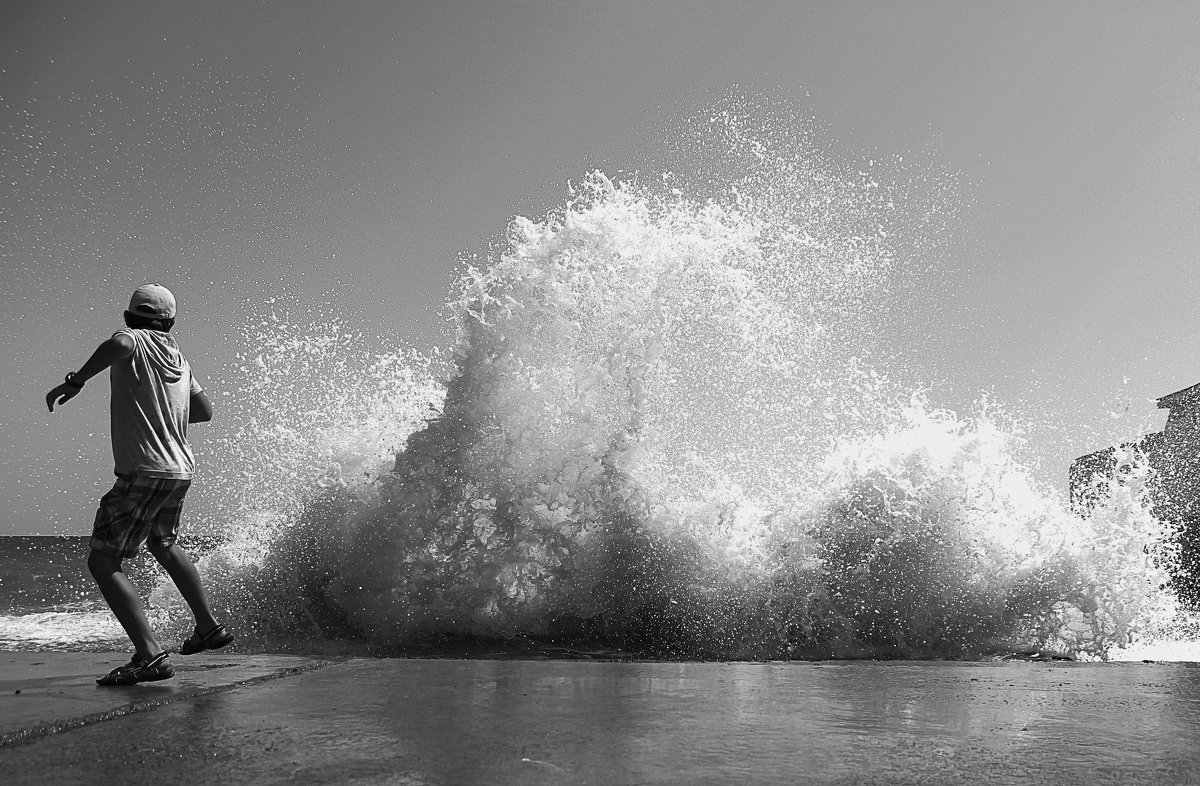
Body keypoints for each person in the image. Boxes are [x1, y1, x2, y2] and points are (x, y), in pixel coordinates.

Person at [45, 284, 234, 686]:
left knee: (103, 560)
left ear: (130, 315)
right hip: (179, 470)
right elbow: (204, 411)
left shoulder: (131, 339)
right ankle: (208, 627)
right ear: (170, 322)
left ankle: (149, 655)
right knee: (163, 544)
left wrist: (76, 381)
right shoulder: (179, 359)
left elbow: (119, 344)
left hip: (143, 470)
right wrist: (165, 411)